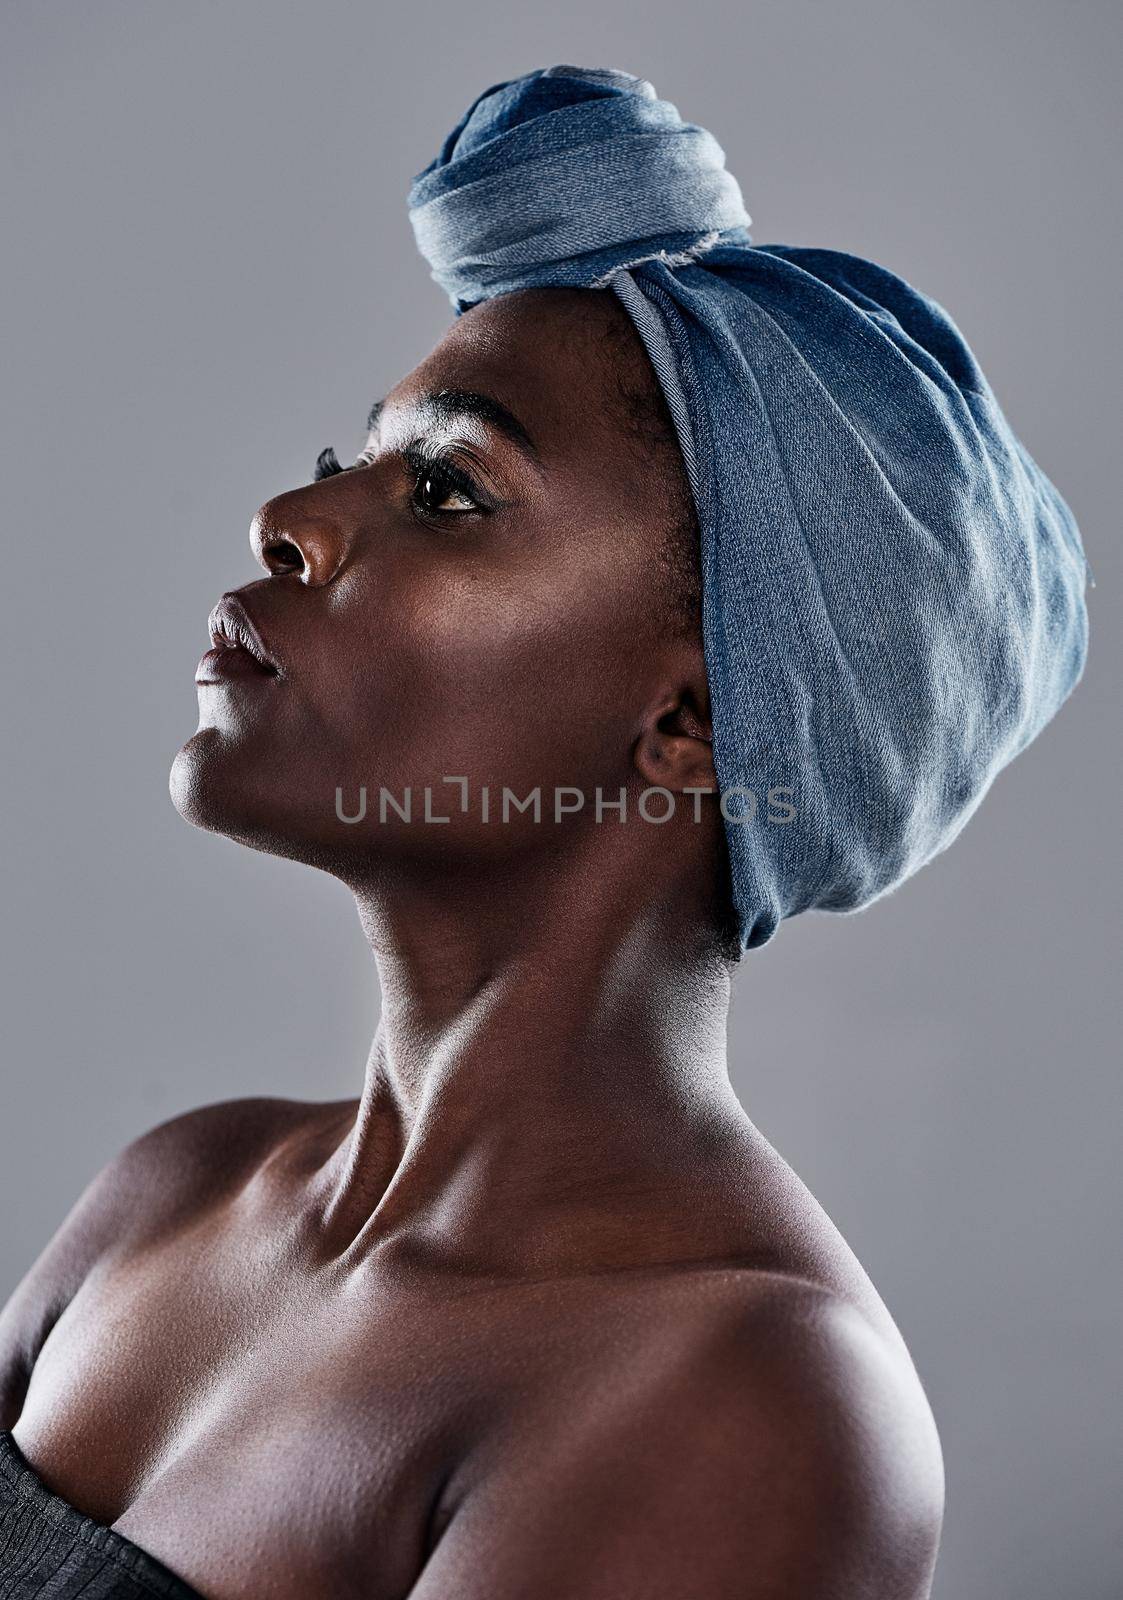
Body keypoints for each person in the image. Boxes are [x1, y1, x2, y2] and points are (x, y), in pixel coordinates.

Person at [0, 64, 1087, 1600]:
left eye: (446, 488)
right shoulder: (167, 1195)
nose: (288, 520)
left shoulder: (744, 1405)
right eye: (347, 461)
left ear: (694, 721)